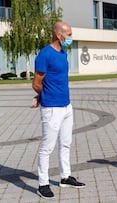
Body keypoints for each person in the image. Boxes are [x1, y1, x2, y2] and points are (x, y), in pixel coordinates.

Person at [32, 21, 85, 199]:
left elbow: (56, 80)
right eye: (68, 34)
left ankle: (65, 177)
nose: (70, 38)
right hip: (52, 108)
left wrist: (43, 95)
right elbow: (36, 83)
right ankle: (43, 184)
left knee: (66, 143)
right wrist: (43, 96)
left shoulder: (63, 53)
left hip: (66, 105)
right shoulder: (45, 54)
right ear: (58, 34)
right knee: (47, 147)